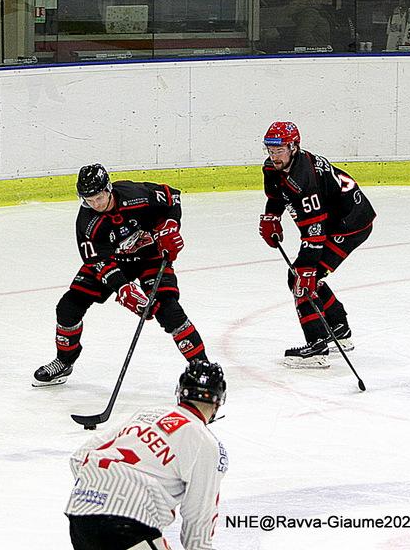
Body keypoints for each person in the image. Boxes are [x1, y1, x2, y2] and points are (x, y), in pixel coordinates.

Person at [33, 164, 209, 387]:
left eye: (98, 197)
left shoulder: (136, 195)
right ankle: (64, 361)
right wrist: (123, 288)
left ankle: (203, 370)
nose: (94, 204)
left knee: (169, 310)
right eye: (88, 200)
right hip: (114, 262)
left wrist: (170, 227)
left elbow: (172, 197)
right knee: (68, 307)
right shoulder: (87, 222)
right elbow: (96, 260)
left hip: (150, 258)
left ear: (108, 188)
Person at [66, 360, 228, 550]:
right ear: (217, 403)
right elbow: (198, 523)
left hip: (80, 516)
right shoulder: (205, 443)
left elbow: (79, 457)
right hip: (127, 525)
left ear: (180, 392)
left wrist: (101, 495)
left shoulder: (146, 414)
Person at [258, 122, 376, 368]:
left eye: (279, 150)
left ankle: (317, 346)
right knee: (308, 275)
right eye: (270, 149)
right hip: (337, 221)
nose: (273, 155)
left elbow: (315, 231)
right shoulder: (273, 167)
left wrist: (307, 267)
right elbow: (276, 195)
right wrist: (272, 216)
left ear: (294, 147)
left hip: (350, 225)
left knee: (300, 278)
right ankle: (339, 330)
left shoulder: (303, 179)